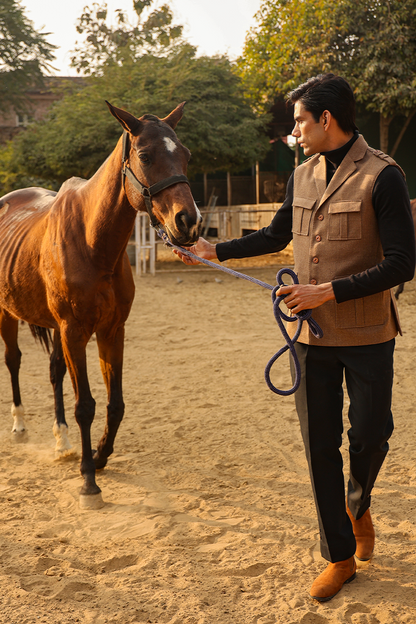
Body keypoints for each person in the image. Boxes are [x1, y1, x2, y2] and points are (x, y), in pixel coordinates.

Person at [174, 73, 416, 602]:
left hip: (369, 332)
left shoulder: (383, 176)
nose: (295, 131)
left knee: (371, 437)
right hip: (310, 336)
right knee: (318, 446)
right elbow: (277, 234)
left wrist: (327, 291)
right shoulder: (302, 175)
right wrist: (218, 251)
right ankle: (339, 555)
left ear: (326, 119)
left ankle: (359, 503)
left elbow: (403, 263)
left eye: (300, 121)